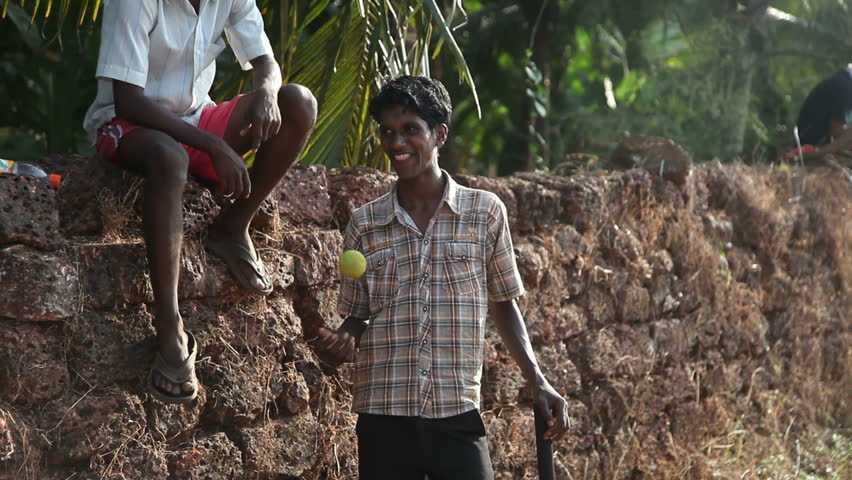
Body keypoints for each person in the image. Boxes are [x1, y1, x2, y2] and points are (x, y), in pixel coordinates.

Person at [315, 76, 569, 479]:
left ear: (440, 134)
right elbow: (357, 317)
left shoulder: (484, 213)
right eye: (387, 132)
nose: (396, 143)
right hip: (384, 418)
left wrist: (539, 381)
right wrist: (343, 337)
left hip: (456, 415)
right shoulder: (365, 225)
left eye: (410, 130)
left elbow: (505, 304)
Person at [83, 0, 317, 404]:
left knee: (298, 102)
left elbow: (265, 60)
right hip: (128, 126)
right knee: (170, 157)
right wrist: (213, 145)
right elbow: (128, 102)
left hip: (196, 119)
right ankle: (169, 324)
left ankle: (232, 226)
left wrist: (266, 89)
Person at [788, 67, 852, 165]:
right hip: (812, 144)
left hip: (816, 141)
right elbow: (836, 131)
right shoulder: (845, 86)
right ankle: (804, 157)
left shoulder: (842, 81)